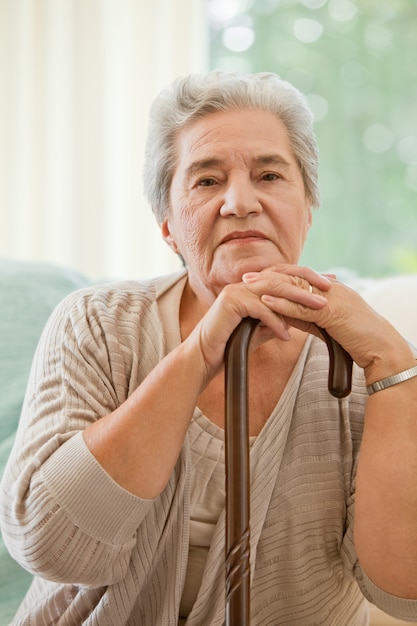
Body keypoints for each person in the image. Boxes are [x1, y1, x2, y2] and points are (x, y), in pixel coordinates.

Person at [1, 71, 417, 626]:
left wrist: (393, 362)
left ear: (308, 207)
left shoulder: (363, 362)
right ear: (168, 226)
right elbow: (50, 545)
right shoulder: (97, 324)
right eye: (206, 181)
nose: (240, 202)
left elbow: (403, 593)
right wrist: (200, 351)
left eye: (269, 174)